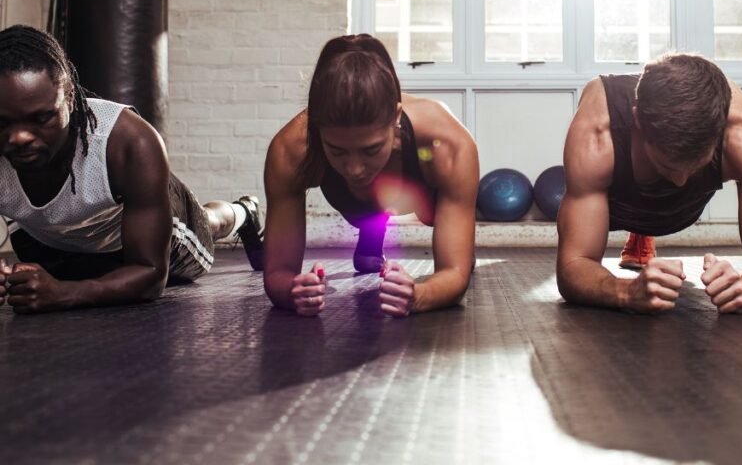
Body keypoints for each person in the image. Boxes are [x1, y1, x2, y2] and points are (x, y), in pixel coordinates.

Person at [0, 25, 263, 314]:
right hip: (54, 244)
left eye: (41, 117)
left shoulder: (128, 142)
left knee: (208, 222)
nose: (18, 138)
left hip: (134, 246)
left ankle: (243, 212)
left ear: (70, 98)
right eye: (3, 122)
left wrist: (63, 293)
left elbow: (149, 275)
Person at [556, 52, 742, 315]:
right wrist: (624, 291)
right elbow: (574, 265)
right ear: (637, 121)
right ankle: (640, 232)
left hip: (685, 211)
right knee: (598, 191)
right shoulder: (597, 134)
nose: (680, 182)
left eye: (696, 167)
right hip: (620, 202)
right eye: (668, 166)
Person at [262, 34, 478, 318]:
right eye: (337, 151)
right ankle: (374, 225)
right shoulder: (289, 150)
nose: (354, 168)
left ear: (396, 117)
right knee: (364, 206)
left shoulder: (448, 143)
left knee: (439, 223)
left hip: (416, 196)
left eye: (371, 150)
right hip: (353, 205)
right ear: (317, 129)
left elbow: (454, 274)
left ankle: (380, 222)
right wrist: (293, 290)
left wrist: (419, 295)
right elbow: (277, 273)